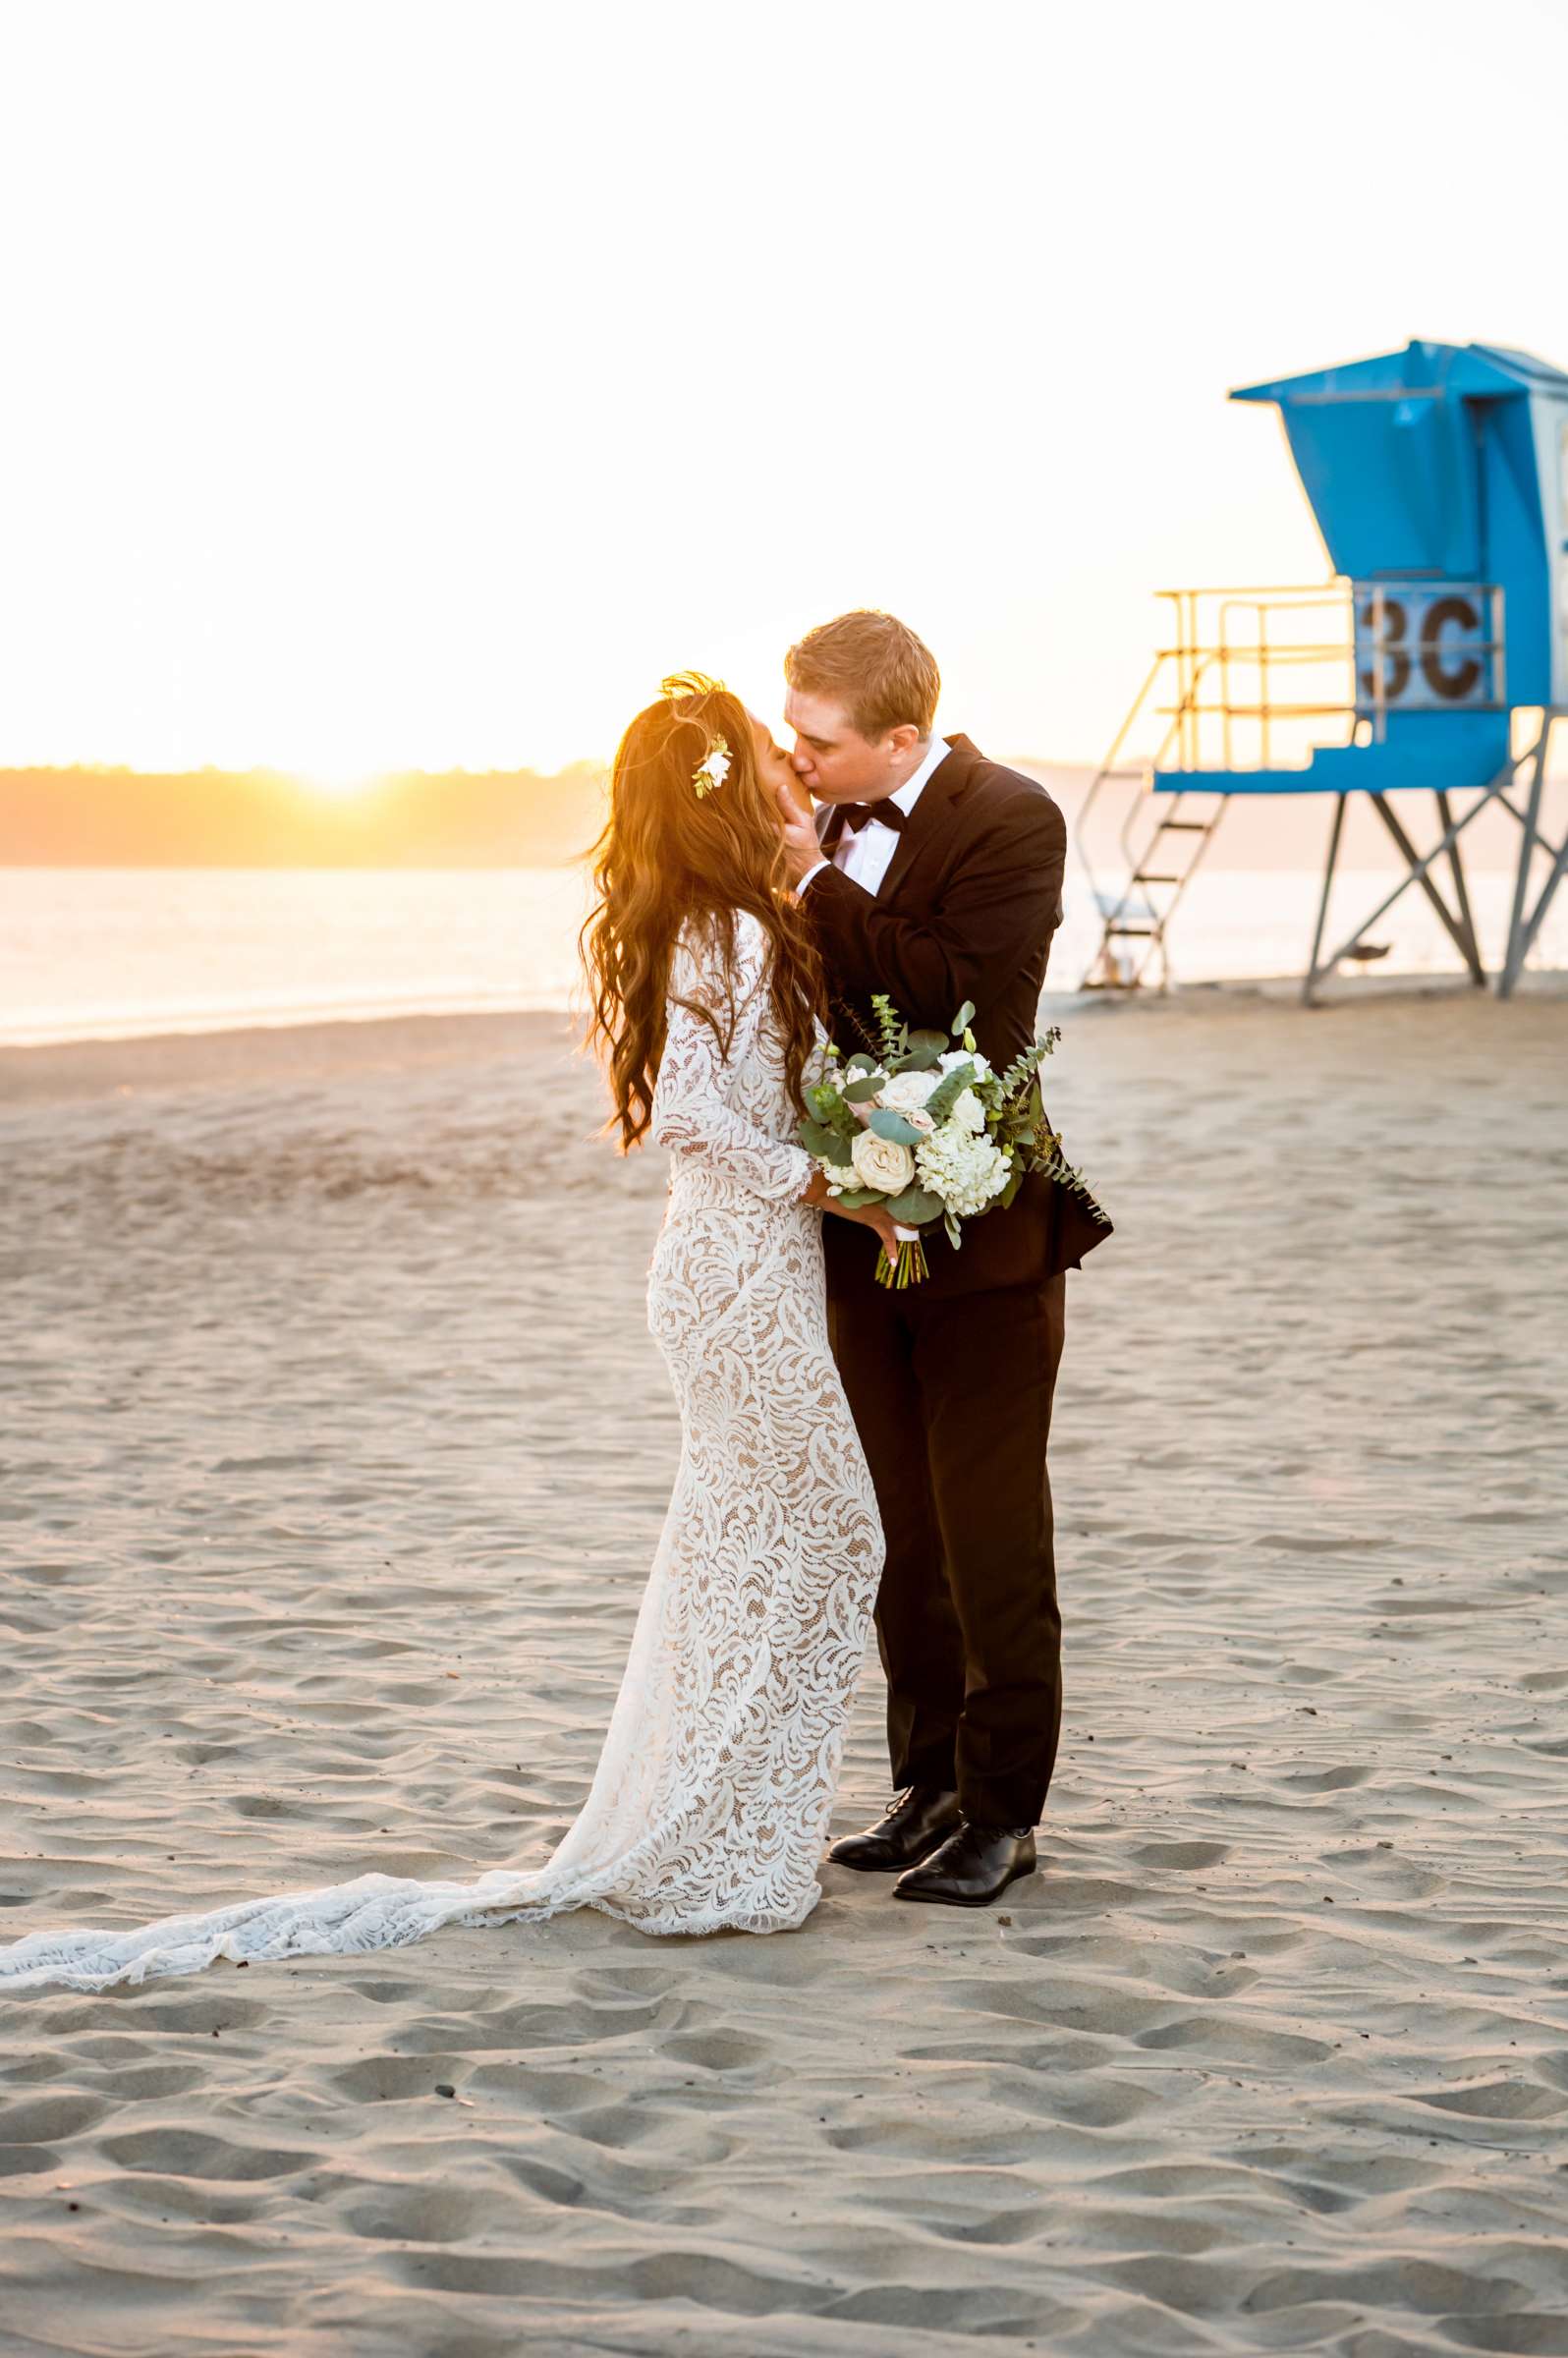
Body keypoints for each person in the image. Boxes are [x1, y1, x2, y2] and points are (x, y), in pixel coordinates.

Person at [0, 675, 891, 1993]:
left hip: (731, 1270)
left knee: (740, 1545)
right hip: (733, 1273)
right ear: (730, 785)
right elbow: (691, 1119)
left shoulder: (734, 913)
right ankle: (724, 1845)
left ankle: (722, 1834)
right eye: (768, 753)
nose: (787, 766)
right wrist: (829, 1185)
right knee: (826, 1531)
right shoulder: (721, 927)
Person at [774, 608, 1101, 1909]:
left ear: (901, 738)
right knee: (898, 1523)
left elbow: (951, 991)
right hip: (858, 1227)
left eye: (818, 740)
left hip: (989, 1230)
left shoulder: (1012, 818)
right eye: (786, 731)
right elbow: (700, 769)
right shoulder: (803, 790)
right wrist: (695, 745)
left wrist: (809, 882)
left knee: (990, 1528)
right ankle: (926, 1782)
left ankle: (1004, 1810)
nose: (793, 758)